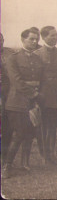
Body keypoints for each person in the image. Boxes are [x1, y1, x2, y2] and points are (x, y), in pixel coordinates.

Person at [2, 28, 44, 179]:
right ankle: (7, 165)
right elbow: (16, 81)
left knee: (30, 134)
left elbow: (41, 79)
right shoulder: (13, 58)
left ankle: (25, 163)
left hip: (33, 102)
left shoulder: (38, 59)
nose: (34, 42)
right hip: (17, 102)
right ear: (23, 39)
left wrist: (38, 96)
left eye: (36, 39)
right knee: (19, 134)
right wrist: (33, 93)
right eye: (31, 39)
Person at [35, 26, 57, 164]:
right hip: (44, 94)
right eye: (51, 36)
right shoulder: (38, 54)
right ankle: (45, 154)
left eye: (56, 35)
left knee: (54, 125)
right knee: (44, 126)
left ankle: (52, 153)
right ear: (43, 37)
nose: (55, 38)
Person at [0, 33, 15, 166]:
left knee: (6, 126)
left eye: (1, 40)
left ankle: (4, 157)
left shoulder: (10, 53)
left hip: (7, 95)